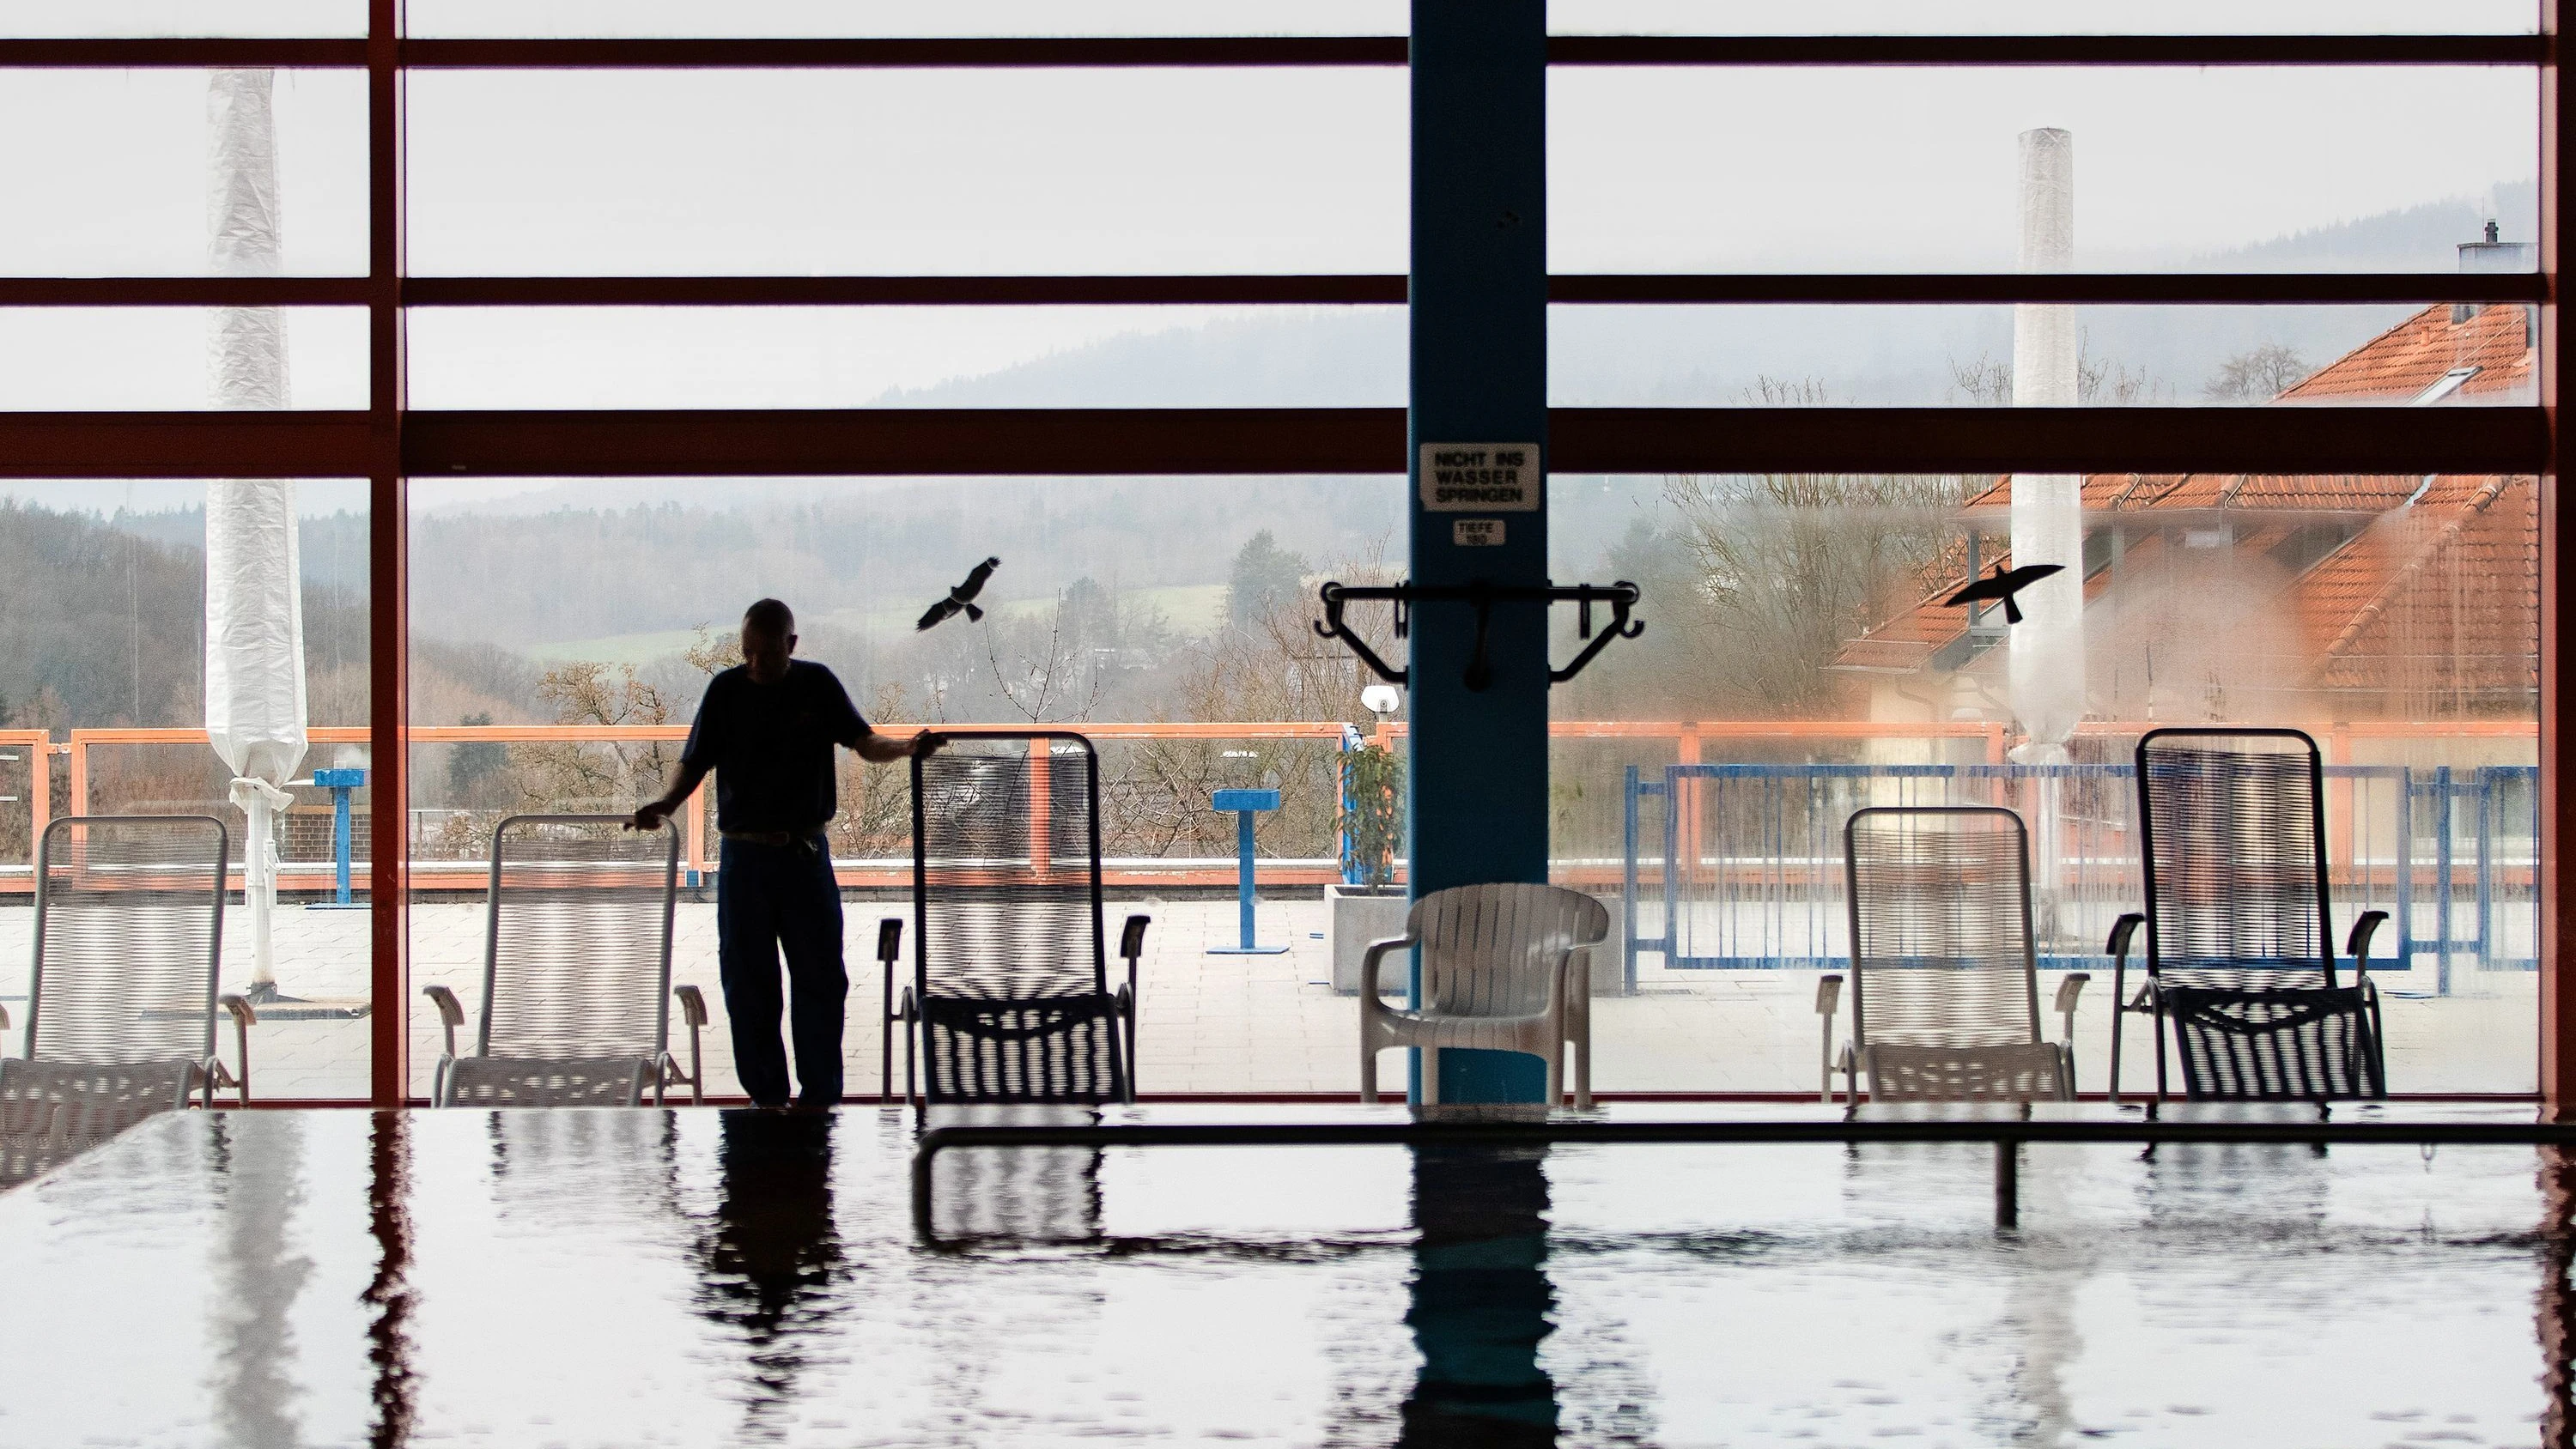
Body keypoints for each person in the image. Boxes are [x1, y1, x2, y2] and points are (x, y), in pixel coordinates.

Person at [633, 598, 930, 1110]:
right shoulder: (725, 691)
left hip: (804, 856)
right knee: (748, 985)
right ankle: (766, 1100)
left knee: (820, 979)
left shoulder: (818, 684)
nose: (754, 663)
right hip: (743, 862)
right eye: (746, 652)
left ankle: (819, 1101)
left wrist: (904, 748)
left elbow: (863, 742)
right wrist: (663, 803)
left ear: (790, 645)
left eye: (765, 653)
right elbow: (693, 762)